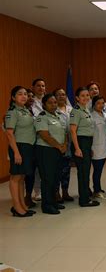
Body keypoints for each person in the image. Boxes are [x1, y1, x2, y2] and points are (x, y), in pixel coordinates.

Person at [35, 94, 68, 214]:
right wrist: (59, 146)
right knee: (47, 178)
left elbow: (64, 133)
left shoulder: (59, 116)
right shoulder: (42, 117)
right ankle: (47, 205)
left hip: (58, 151)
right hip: (46, 150)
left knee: (56, 177)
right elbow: (44, 135)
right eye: (50, 102)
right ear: (44, 104)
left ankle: (53, 202)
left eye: (55, 102)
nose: (53, 105)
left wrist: (64, 145)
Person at [5, 86, 36, 217]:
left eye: (25, 94)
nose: (24, 96)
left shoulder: (26, 110)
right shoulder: (12, 112)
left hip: (28, 147)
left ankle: (22, 204)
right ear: (13, 97)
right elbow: (9, 134)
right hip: (19, 147)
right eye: (20, 94)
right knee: (15, 177)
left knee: (22, 177)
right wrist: (16, 153)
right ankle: (16, 207)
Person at [70, 87, 100, 207]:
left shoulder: (86, 109)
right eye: (82, 95)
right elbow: (73, 131)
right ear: (77, 98)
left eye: (87, 95)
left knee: (86, 171)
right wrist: (77, 149)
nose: (86, 97)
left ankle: (85, 195)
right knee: (83, 172)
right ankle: (84, 200)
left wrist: (89, 148)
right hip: (80, 143)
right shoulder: (76, 111)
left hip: (86, 143)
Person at [53, 88, 74, 202]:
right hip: (58, 145)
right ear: (54, 97)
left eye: (63, 94)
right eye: (58, 95)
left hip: (69, 145)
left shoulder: (71, 110)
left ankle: (65, 191)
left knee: (66, 170)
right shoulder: (52, 111)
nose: (61, 96)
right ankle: (56, 192)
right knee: (57, 170)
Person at [90, 96, 106, 200]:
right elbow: (90, 134)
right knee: (97, 170)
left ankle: (98, 188)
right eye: (98, 103)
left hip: (105, 147)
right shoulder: (91, 117)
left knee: (101, 170)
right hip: (96, 148)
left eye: (103, 103)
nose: (101, 105)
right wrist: (90, 148)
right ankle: (96, 190)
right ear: (94, 104)